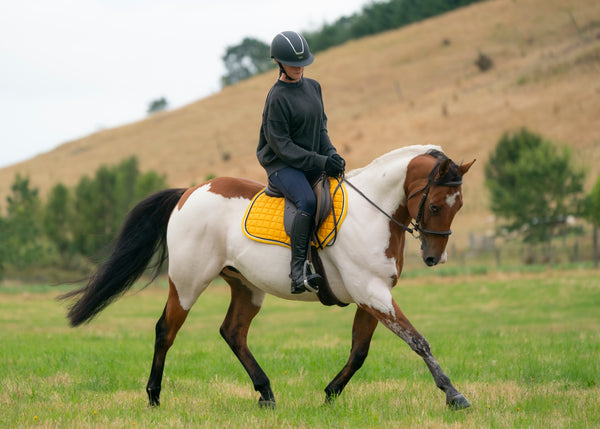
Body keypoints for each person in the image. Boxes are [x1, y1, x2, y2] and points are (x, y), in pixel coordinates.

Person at [256, 30, 346, 294]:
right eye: (293, 64)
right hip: (281, 165)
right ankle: (297, 272)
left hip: (308, 161)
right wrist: (320, 161)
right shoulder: (276, 98)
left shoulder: (313, 87)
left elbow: (320, 130)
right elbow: (282, 147)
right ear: (279, 63)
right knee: (307, 201)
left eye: (302, 63)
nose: (299, 68)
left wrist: (331, 155)